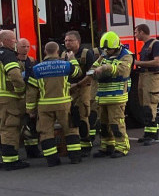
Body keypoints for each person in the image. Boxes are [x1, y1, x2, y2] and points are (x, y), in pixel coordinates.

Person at [24, 41, 81, 166]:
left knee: (46, 133)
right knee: (71, 130)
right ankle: (75, 157)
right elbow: (78, 72)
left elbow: (31, 93)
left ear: (45, 52)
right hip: (64, 104)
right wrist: (72, 59)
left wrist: (30, 110)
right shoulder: (66, 65)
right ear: (58, 51)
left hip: (45, 106)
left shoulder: (35, 69)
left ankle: (52, 160)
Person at [92, 31, 133, 158]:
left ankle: (121, 148)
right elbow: (94, 66)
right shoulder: (104, 54)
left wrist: (105, 68)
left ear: (116, 46)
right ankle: (107, 146)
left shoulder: (126, 56)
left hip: (117, 96)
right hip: (103, 95)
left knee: (116, 123)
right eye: (104, 49)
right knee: (103, 124)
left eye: (108, 49)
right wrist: (95, 70)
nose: (106, 51)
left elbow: (123, 70)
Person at [63, 30, 97, 158]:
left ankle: (86, 145)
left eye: (70, 40)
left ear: (78, 41)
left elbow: (91, 74)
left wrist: (77, 85)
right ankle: (75, 144)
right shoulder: (64, 54)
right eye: (66, 41)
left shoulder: (87, 53)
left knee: (83, 116)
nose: (67, 43)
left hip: (83, 88)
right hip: (68, 90)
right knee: (72, 118)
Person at [133, 23, 159, 145]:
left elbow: (158, 62)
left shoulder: (155, 44)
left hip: (152, 77)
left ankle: (152, 135)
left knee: (150, 105)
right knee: (144, 105)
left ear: (142, 32)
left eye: (136, 32)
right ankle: (148, 133)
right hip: (144, 77)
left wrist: (138, 62)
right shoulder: (145, 45)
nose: (135, 35)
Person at [0, 31, 27, 170]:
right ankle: (10, 160)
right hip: (7, 98)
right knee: (9, 127)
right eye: (13, 40)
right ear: (5, 41)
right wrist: (21, 90)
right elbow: (15, 76)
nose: (15, 42)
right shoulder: (7, 55)